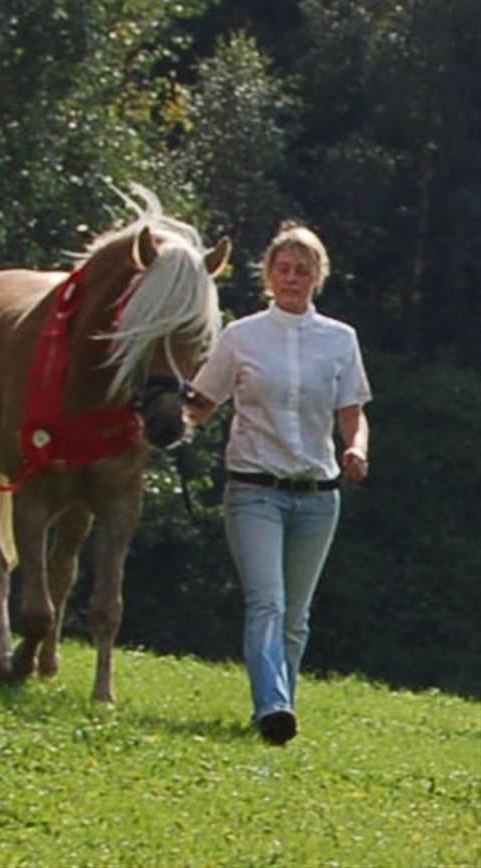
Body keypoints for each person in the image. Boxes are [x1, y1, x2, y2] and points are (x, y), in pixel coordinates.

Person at [186, 220, 371, 745]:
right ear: (268, 275)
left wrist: (356, 448)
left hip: (317, 493)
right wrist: (158, 420)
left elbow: (352, 411)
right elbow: (201, 403)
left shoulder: (340, 340)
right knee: (266, 601)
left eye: (302, 271)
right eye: (283, 269)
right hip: (254, 488)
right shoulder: (241, 336)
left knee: (296, 615)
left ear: (318, 277)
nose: (291, 279)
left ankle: (277, 709)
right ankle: (273, 707)